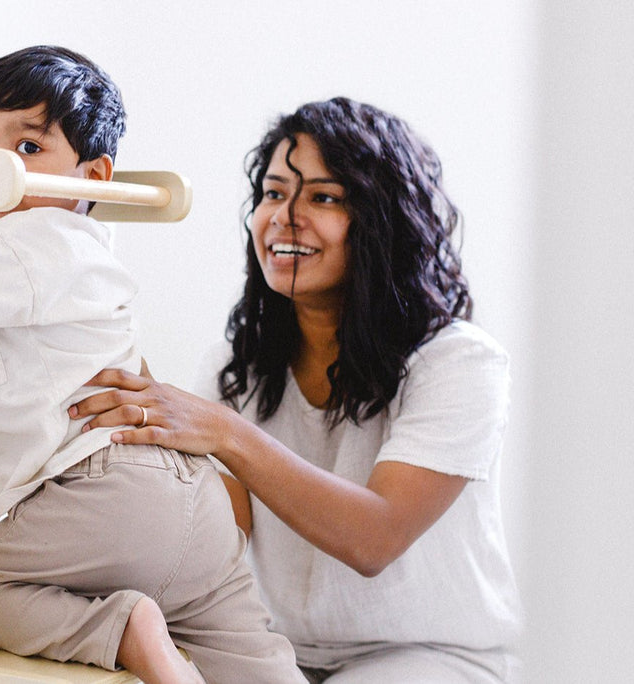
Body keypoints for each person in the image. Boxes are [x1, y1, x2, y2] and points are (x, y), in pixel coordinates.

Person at [0, 45, 304, 684]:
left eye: (29, 149)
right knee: (247, 655)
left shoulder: (27, 244)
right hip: (192, 497)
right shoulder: (74, 244)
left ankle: (119, 628)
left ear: (92, 180)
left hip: (97, 493)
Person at [70, 97, 523, 683]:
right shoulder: (241, 370)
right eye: (274, 193)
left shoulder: (459, 361)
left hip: (431, 656)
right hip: (285, 653)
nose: (284, 217)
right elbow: (217, 538)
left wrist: (224, 433)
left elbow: (375, 538)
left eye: (324, 197)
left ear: (384, 221)